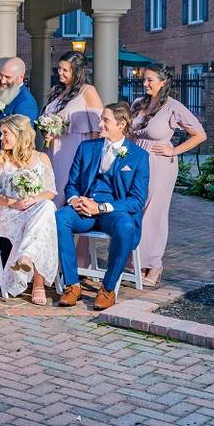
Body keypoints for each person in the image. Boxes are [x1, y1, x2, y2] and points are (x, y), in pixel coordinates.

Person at [55, 102, 150, 311]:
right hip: (85, 208)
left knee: (126, 226)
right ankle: (71, 284)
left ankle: (108, 289)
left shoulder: (138, 156)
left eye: (105, 120)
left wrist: (102, 208)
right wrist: (75, 200)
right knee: (60, 217)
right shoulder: (87, 148)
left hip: (113, 212)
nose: (99, 124)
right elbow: (72, 184)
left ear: (121, 124)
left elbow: (136, 200)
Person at [130, 64, 206, 288]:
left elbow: (199, 134)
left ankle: (154, 265)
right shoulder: (138, 104)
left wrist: (173, 150)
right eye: (144, 80)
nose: (145, 84)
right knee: (137, 208)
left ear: (163, 82)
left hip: (159, 164)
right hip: (137, 161)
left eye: (150, 80)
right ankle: (137, 260)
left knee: (153, 213)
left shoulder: (174, 107)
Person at [0, 115, 58, 305]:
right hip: (9, 213)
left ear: (20, 134)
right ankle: (38, 284)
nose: (1, 138)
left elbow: (50, 192)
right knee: (46, 218)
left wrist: (34, 199)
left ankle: (27, 260)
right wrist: (11, 202)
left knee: (46, 207)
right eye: (1, 134)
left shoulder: (42, 158)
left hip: (35, 211)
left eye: (5, 134)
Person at [40, 51, 103, 207]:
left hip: (74, 147)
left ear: (76, 71)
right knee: (48, 185)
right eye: (59, 69)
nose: (60, 73)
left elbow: (98, 126)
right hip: (52, 147)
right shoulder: (56, 90)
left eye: (65, 70)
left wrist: (92, 157)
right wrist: (45, 130)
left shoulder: (88, 91)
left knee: (63, 186)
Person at [0, 58, 39, 157]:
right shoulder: (5, 93)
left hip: (8, 158)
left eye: (7, 77)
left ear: (20, 77)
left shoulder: (25, 102)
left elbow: (21, 140)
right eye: (1, 75)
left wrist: (0, 158)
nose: (2, 80)